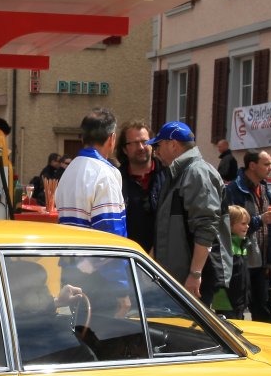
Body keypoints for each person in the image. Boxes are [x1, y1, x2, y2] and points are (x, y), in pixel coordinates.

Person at [150, 122, 231, 305]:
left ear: (173, 144)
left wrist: (195, 274)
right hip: (181, 278)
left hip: (194, 281)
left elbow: (206, 226)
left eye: (158, 146)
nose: (156, 152)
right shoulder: (178, 173)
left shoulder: (196, 173)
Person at [224, 150, 271, 323]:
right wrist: (260, 219)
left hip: (262, 261)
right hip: (241, 260)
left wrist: (270, 261)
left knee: (264, 311)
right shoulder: (233, 189)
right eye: (266, 164)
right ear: (252, 165)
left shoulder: (265, 189)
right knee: (236, 311)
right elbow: (230, 225)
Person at [54, 108, 126, 237]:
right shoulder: (105, 175)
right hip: (90, 249)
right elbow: (111, 235)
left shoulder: (68, 171)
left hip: (68, 247)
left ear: (83, 139)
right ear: (112, 139)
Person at [117, 119, 168, 253]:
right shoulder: (115, 180)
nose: (141, 147)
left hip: (162, 258)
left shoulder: (169, 177)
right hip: (128, 256)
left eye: (145, 142)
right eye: (134, 143)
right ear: (125, 149)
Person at [224, 204, 252, 318]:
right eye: (243, 224)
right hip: (226, 303)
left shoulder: (241, 244)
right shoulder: (226, 246)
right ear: (230, 224)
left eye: (247, 223)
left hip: (240, 301)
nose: (247, 226)